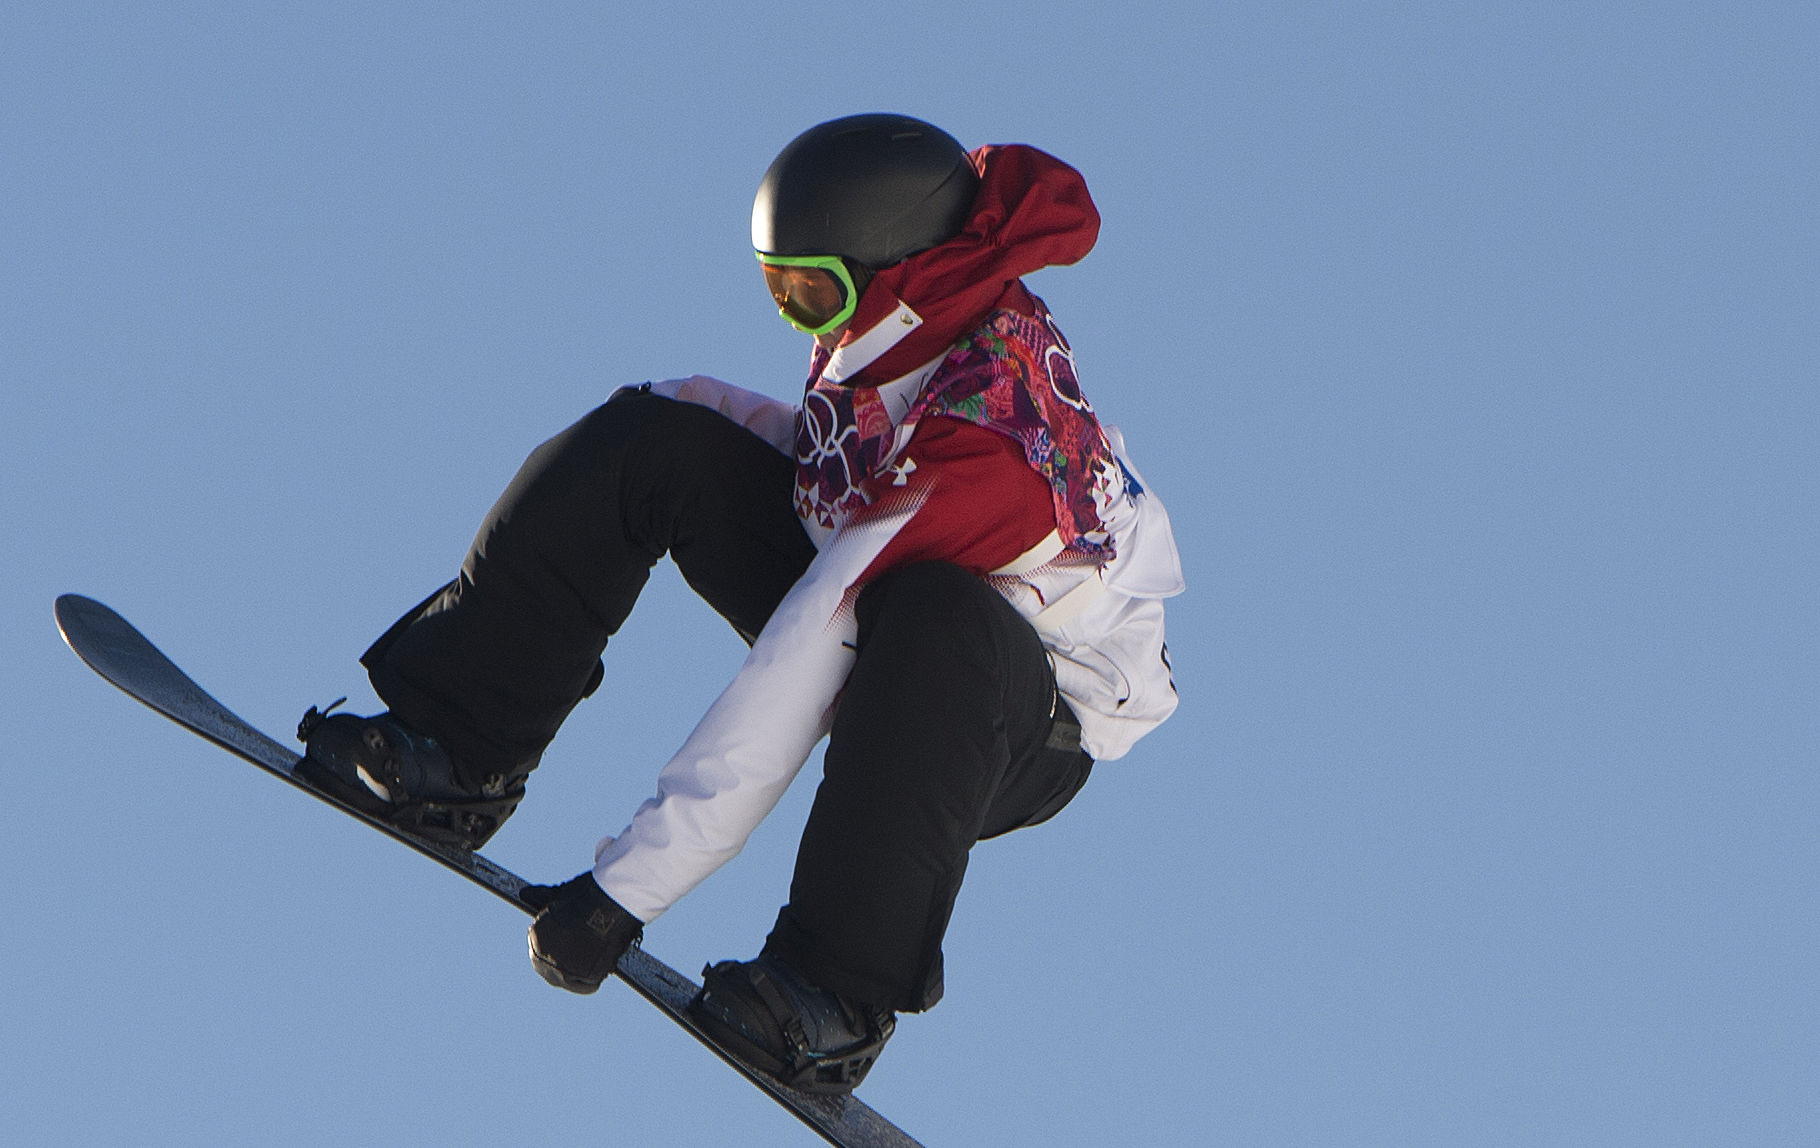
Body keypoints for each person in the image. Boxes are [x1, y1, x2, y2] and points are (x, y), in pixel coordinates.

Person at [294, 115, 1182, 1094]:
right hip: (890, 590)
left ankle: (835, 991)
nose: (798, 316)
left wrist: (622, 892)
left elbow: (812, 643)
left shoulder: (986, 448)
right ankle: (458, 750)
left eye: (811, 291)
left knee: (934, 619)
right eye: (779, 288)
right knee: (651, 441)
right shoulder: (908, 321)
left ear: (888, 269)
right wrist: (646, 431)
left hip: (1017, 717)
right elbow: (789, 457)